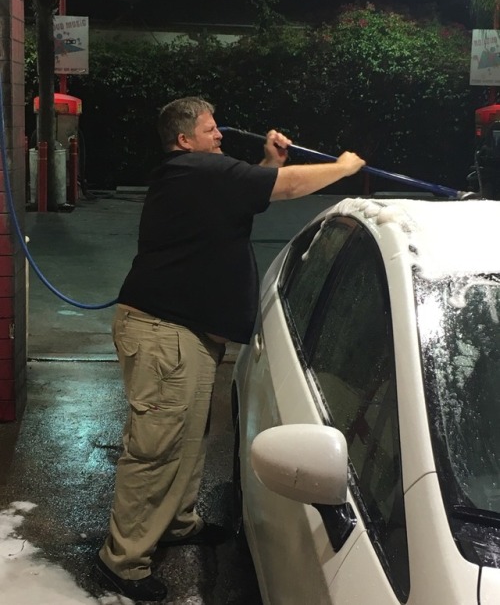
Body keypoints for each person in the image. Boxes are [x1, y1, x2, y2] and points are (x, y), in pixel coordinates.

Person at [96, 96, 366, 602]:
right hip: (163, 333)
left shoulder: (202, 176)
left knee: (188, 435)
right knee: (154, 448)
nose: (219, 135)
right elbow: (282, 190)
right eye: (210, 128)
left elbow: (256, 190)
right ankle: (123, 560)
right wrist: (342, 168)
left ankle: (177, 522)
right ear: (185, 140)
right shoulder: (193, 170)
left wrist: (269, 162)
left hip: (186, 333)